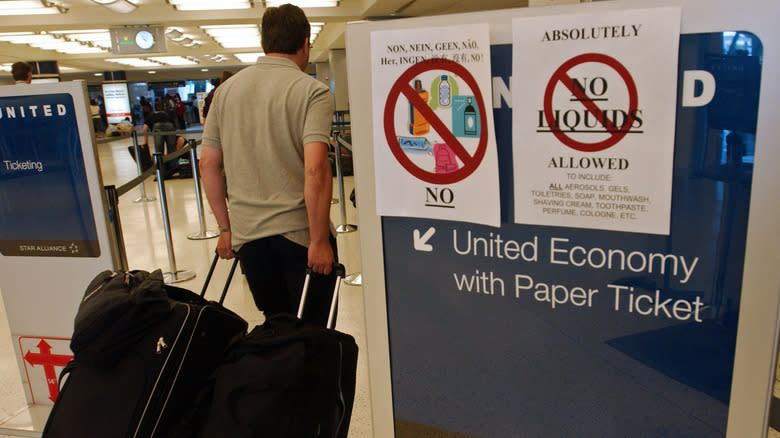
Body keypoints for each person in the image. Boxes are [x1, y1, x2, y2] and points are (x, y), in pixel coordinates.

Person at [200, 3, 337, 327]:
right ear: (305, 43)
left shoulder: (225, 92)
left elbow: (207, 164)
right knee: (314, 333)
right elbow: (316, 170)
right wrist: (318, 240)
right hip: (300, 238)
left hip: (248, 239)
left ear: (264, 44)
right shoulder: (312, 91)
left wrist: (225, 229)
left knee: (275, 326)